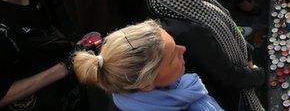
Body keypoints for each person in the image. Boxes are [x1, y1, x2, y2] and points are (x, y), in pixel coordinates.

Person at [72, 20, 221, 111]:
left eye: (174, 44)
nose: (183, 49)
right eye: (172, 58)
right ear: (146, 84)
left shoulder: (123, 90)